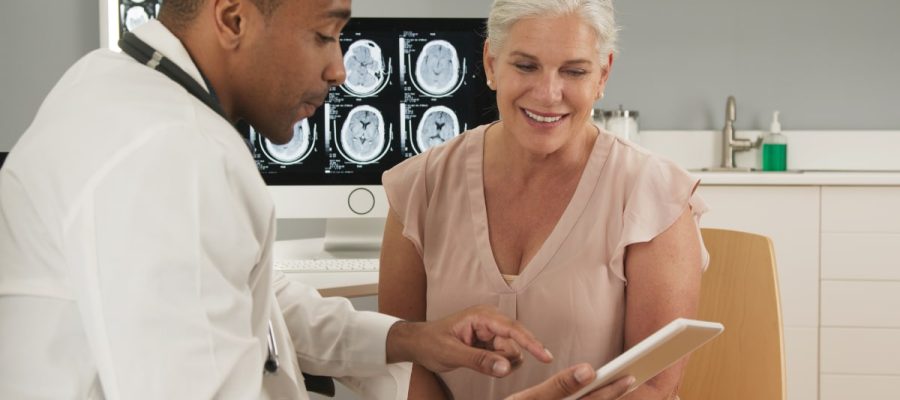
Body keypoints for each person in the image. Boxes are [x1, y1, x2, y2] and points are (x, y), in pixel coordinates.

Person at [0, 0, 634, 399]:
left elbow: (255, 304)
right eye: (325, 34)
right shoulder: (168, 153)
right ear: (233, 18)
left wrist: (411, 339)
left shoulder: (118, 89)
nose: (339, 69)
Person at [379, 0, 709, 399]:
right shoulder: (421, 186)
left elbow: (653, 385)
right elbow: (399, 357)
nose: (549, 94)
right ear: (490, 63)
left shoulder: (654, 195)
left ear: (603, 74)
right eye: (525, 66)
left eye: (574, 71)